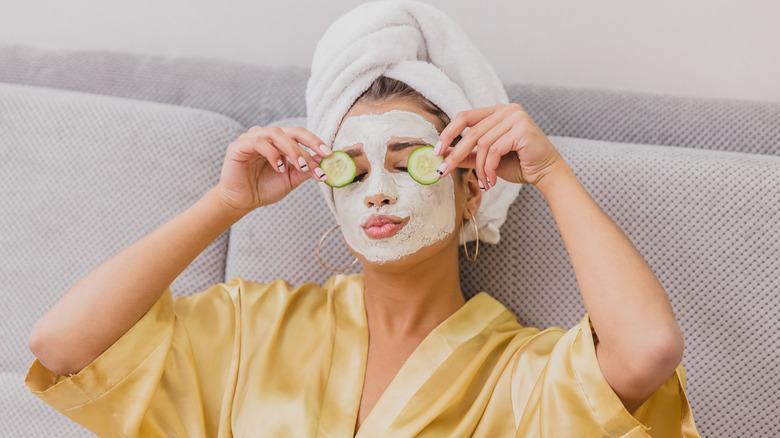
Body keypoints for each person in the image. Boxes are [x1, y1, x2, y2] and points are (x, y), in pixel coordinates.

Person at [25, 1, 699, 437]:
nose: (378, 190)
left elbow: (647, 351)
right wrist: (224, 205)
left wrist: (552, 174)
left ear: (470, 191)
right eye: (351, 167)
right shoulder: (251, 327)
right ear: (332, 192)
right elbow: (61, 344)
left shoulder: (520, 376)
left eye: (411, 162)